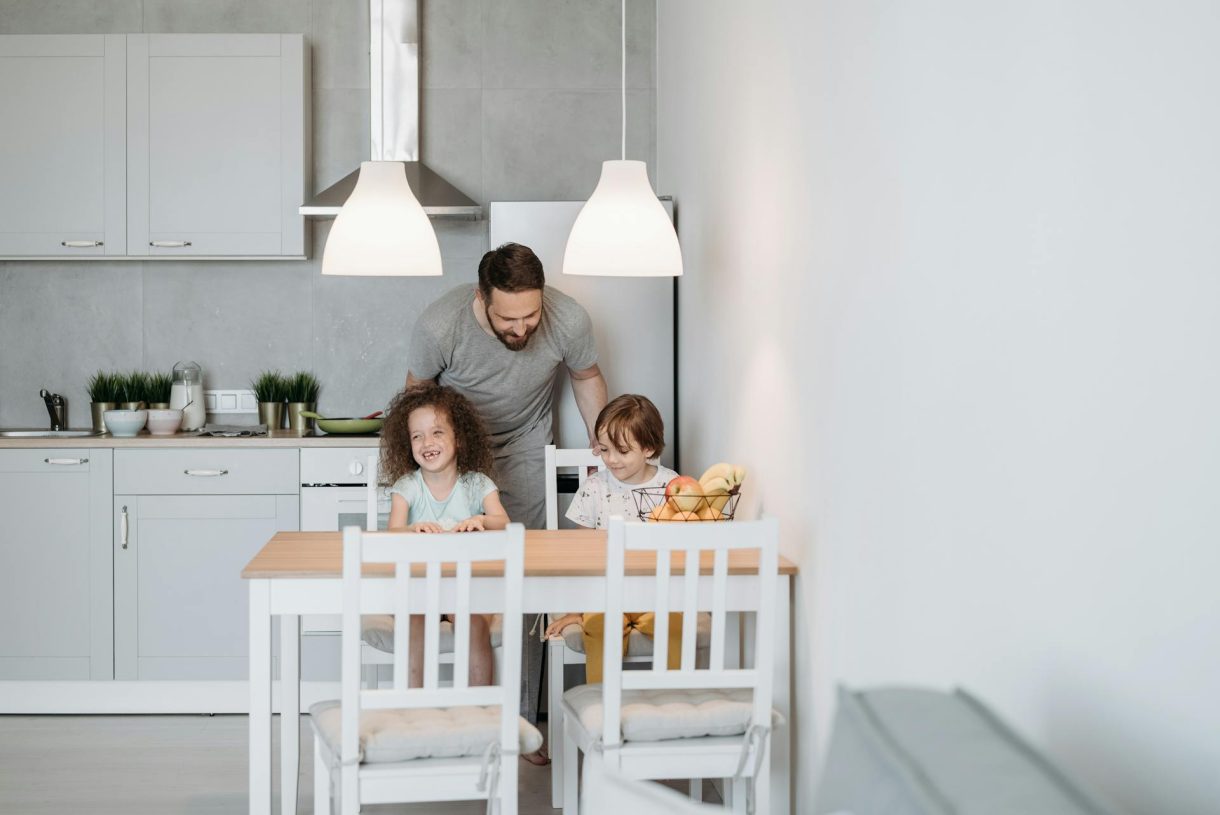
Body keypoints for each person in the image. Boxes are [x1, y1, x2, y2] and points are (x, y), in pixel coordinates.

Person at [405, 242, 609, 743]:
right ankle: (439, 718)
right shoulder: (440, 325)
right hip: (455, 448)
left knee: (527, 577)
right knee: (452, 577)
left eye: (531, 315)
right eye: (508, 319)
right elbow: (416, 400)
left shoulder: (569, 319)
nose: (521, 329)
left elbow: (586, 378)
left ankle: (518, 724)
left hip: (523, 446)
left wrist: (602, 452)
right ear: (481, 297)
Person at [545, 394, 684, 683]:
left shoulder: (672, 486)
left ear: (648, 448)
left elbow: (681, 550)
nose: (610, 459)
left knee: (673, 625)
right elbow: (580, 556)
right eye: (604, 449)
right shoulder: (594, 487)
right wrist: (575, 611)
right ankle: (602, 699)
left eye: (621, 451)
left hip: (655, 593)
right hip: (605, 593)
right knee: (599, 625)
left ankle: (671, 694)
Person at [380, 383, 510, 687]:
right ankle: (415, 706)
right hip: (419, 585)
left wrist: (481, 519)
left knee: (472, 622)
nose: (427, 442)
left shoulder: (477, 484)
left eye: (437, 432)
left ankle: (480, 708)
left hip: (467, 584)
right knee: (416, 622)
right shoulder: (407, 487)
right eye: (417, 436)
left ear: (460, 439)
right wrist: (412, 529)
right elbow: (391, 535)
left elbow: (504, 523)